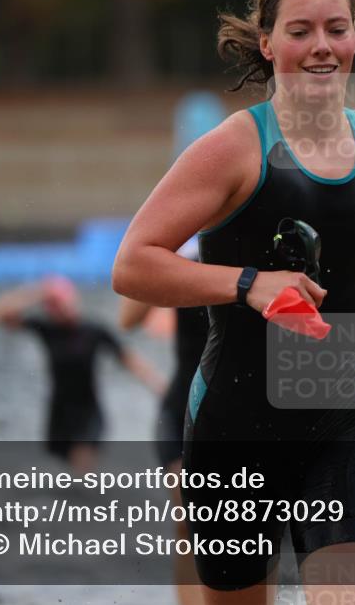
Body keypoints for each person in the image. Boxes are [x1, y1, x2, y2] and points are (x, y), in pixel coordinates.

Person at [112, 0, 355, 605]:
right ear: (268, 41)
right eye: (300, 31)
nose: (321, 47)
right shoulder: (232, 148)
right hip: (233, 431)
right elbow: (133, 263)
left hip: (346, 423)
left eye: (336, 29)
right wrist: (247, 282)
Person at [0, 276, 165, 474]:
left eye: (65, 302)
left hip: (88, 410)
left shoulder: (93, 331)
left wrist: (158, 385)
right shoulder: (47, 329)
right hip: (60, 411)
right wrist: (37, 293)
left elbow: (128, 359)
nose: (63, 309)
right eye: (55, 305)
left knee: (82, 465)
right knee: (65, 470)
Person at [121, 238, 209, 605]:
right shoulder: (185, 254)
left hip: (243, 415)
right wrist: (163, 255)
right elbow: (127, 320)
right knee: (190, 522)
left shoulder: (257, 252)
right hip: (182, 410)